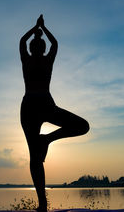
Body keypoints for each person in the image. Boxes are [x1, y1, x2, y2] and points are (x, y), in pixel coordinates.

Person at [20, 14, 90, 212]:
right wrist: (44, 28)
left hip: (31, 106)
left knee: (35, 157)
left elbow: (22, 41)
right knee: (82, 126)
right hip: (42, 104)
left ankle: (42, 204)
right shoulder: (47, 60)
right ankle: (42, 204)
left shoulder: (26, 60)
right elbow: (55, 43)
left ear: (35, 48)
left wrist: (35, 28)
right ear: (41, 48)